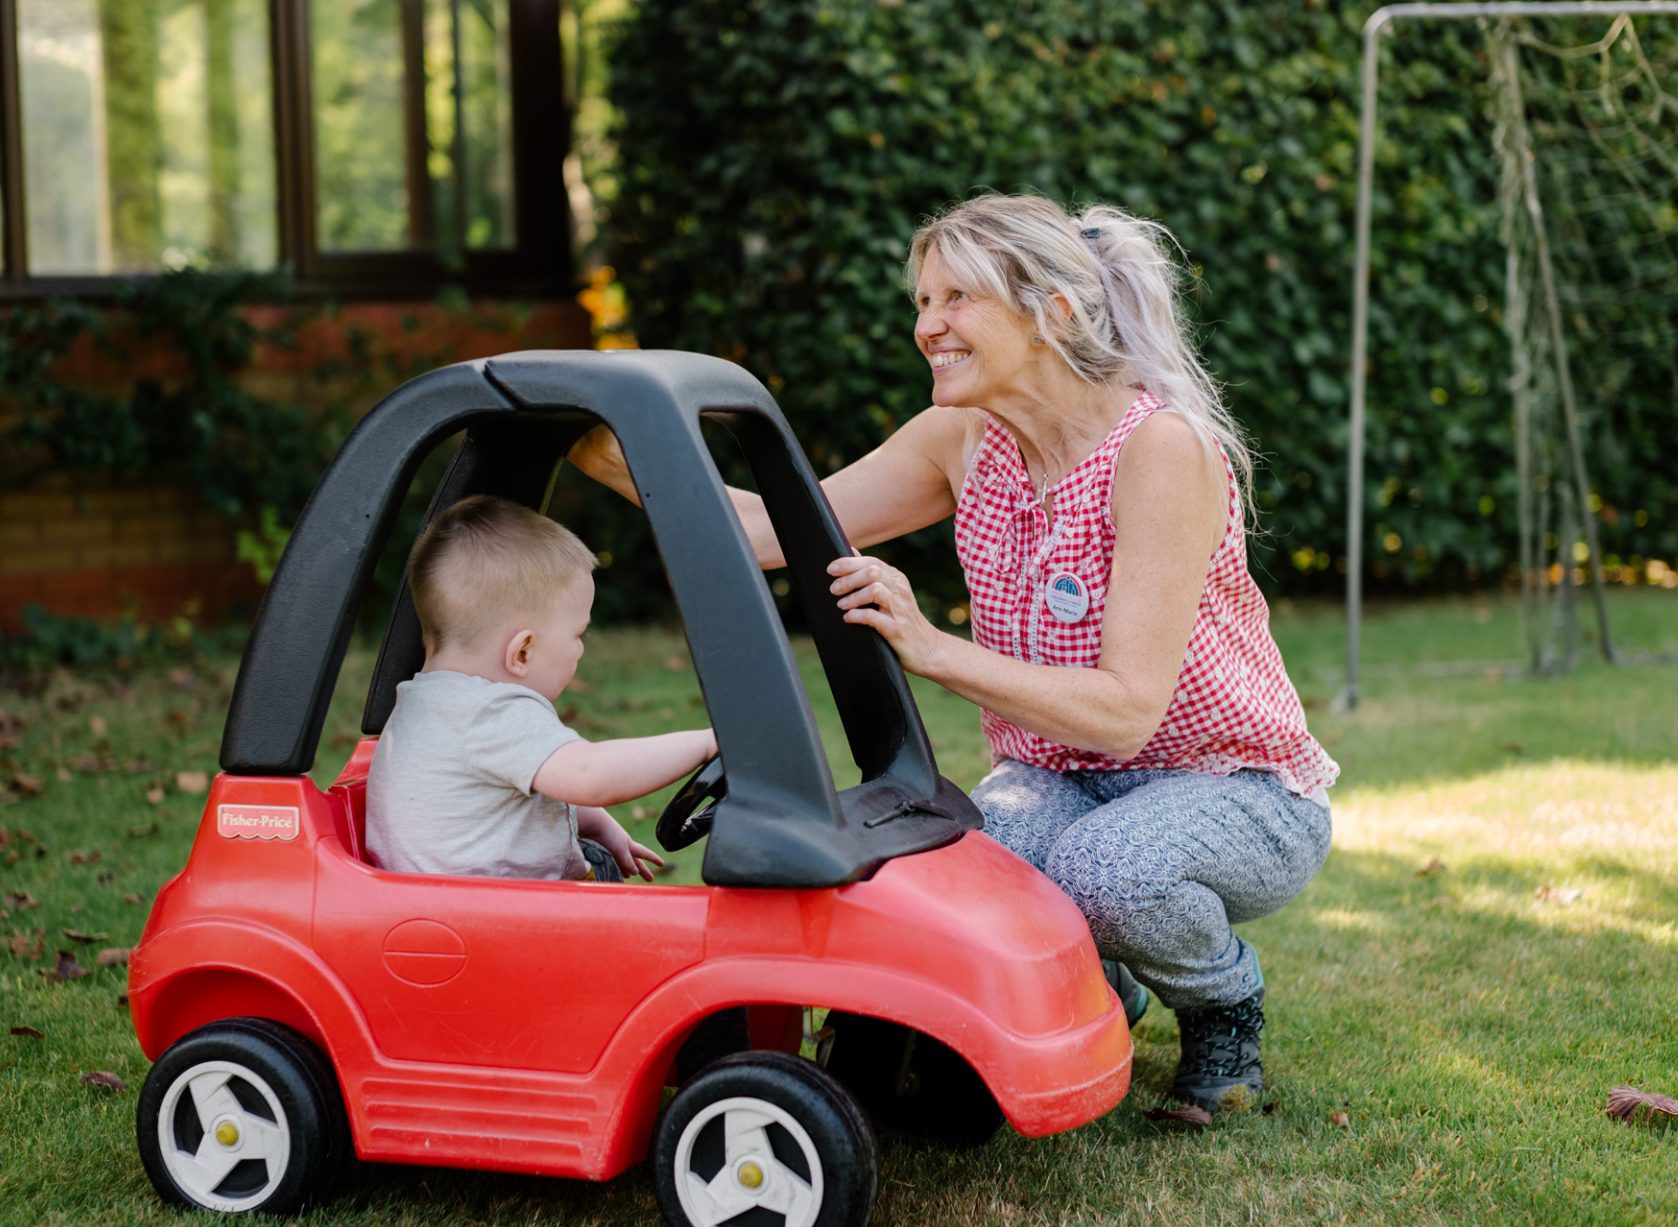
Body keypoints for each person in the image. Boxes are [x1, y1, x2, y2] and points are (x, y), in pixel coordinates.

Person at [569, 193, 1337, 1111]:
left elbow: (1129, 711)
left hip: (1233, 789)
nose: (928, 326)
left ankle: (1224, 1004)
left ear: (1050, 312)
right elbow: (772, 532)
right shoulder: (962, 439)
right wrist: (599, 439)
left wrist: (930, 647)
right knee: (953, 871)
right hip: (1059, 779)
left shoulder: (1159, 449)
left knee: (1110, 873)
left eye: (955, 300)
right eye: (923, 304)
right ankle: (1100, 990)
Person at [366, 494, 716, 886]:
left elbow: (506, 795)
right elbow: (589, 774)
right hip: (498, 925)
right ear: (523, 650)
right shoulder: (491, 712)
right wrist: (705, 744)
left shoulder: (426, 703)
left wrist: (598, 825)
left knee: (596, 860)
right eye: (577, 634)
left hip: (441, 908)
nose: (581, 648)